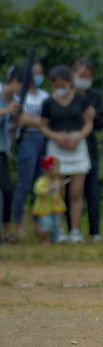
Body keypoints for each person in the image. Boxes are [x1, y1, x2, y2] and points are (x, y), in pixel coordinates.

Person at [39, 65, 95, 244]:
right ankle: (59, 229)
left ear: (69, 82)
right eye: (55, 85)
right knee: (58, 191)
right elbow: (43, 125)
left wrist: (78, 136)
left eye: (62, 84)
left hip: (77, 146)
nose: (59, 88)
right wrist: (56, 137)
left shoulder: (81, 100)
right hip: (57, 148)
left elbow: (89, 123)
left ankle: (76, 230)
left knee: (76, 191)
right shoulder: (48, 103)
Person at [9, 61, 48, 242]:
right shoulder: (18, 97)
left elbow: (47, 121)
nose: (37, 77)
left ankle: (40, 224)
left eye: (40, 73)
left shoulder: (45, 96)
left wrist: (30, 120)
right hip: (26, 140)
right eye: (34, 73)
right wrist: (38, 121)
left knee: (41, 182)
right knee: (24, 183)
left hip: (44, 140)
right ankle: (18, 225)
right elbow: (18, 121)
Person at [72, 58, 103, 241]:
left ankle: (95, 231)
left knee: (92, 189)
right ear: (73, 74)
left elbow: (100, 124)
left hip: (89, 145)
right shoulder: (67, 95)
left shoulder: (95, 96)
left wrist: (93, 114)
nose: (84, 78)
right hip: (68, 145)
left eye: (88, 76)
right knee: (71, 190)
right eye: (81, 75)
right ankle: (72, 230)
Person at [0, 68, 22, 241]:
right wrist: (7, 111)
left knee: (7, 190)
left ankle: (5, 233)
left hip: (2, 150)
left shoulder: (13, 100)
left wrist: (14, 123)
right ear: (14, 81)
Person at [33, 156, 67, 243]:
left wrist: (61, 188)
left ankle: (55, 240)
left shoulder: (57, 181)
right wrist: (48, 189)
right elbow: (37, 190)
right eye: (56, 167)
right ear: (48, 169)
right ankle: (44, 239)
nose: (58, 170)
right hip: (44, 210)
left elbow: (60, 195)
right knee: (47, 225)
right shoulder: (42, 181)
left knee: (56, 226)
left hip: (55, 208)